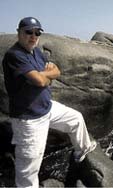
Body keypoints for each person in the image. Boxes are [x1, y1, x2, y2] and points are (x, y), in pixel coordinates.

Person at [2, 17, 96, 187]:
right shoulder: (14, 55)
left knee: (76, 119)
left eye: (37, 32)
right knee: (29, 169)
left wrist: (44, 77)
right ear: (19, 33)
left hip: (47, 108)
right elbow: (40, 81)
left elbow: (56, 71)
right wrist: (44, 77)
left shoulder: (36, 51)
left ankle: (82, 151)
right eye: (28, 32)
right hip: (29, 120)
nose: (33, 36)